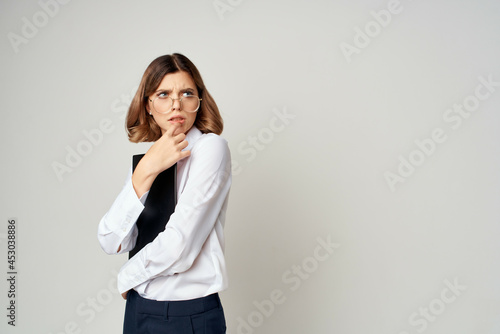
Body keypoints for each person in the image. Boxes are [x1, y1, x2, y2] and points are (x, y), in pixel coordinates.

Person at [97, 53, 231, 334]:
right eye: (163, 94)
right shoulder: (151, 160)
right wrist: (146, 169)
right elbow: (112, 240)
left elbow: (179, 246)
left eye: (187, 93)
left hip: (188, 314)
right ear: (148, 105)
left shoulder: (211, 149)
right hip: (138, 309)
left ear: (199, 101)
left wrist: (127, 277)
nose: (176, 104)